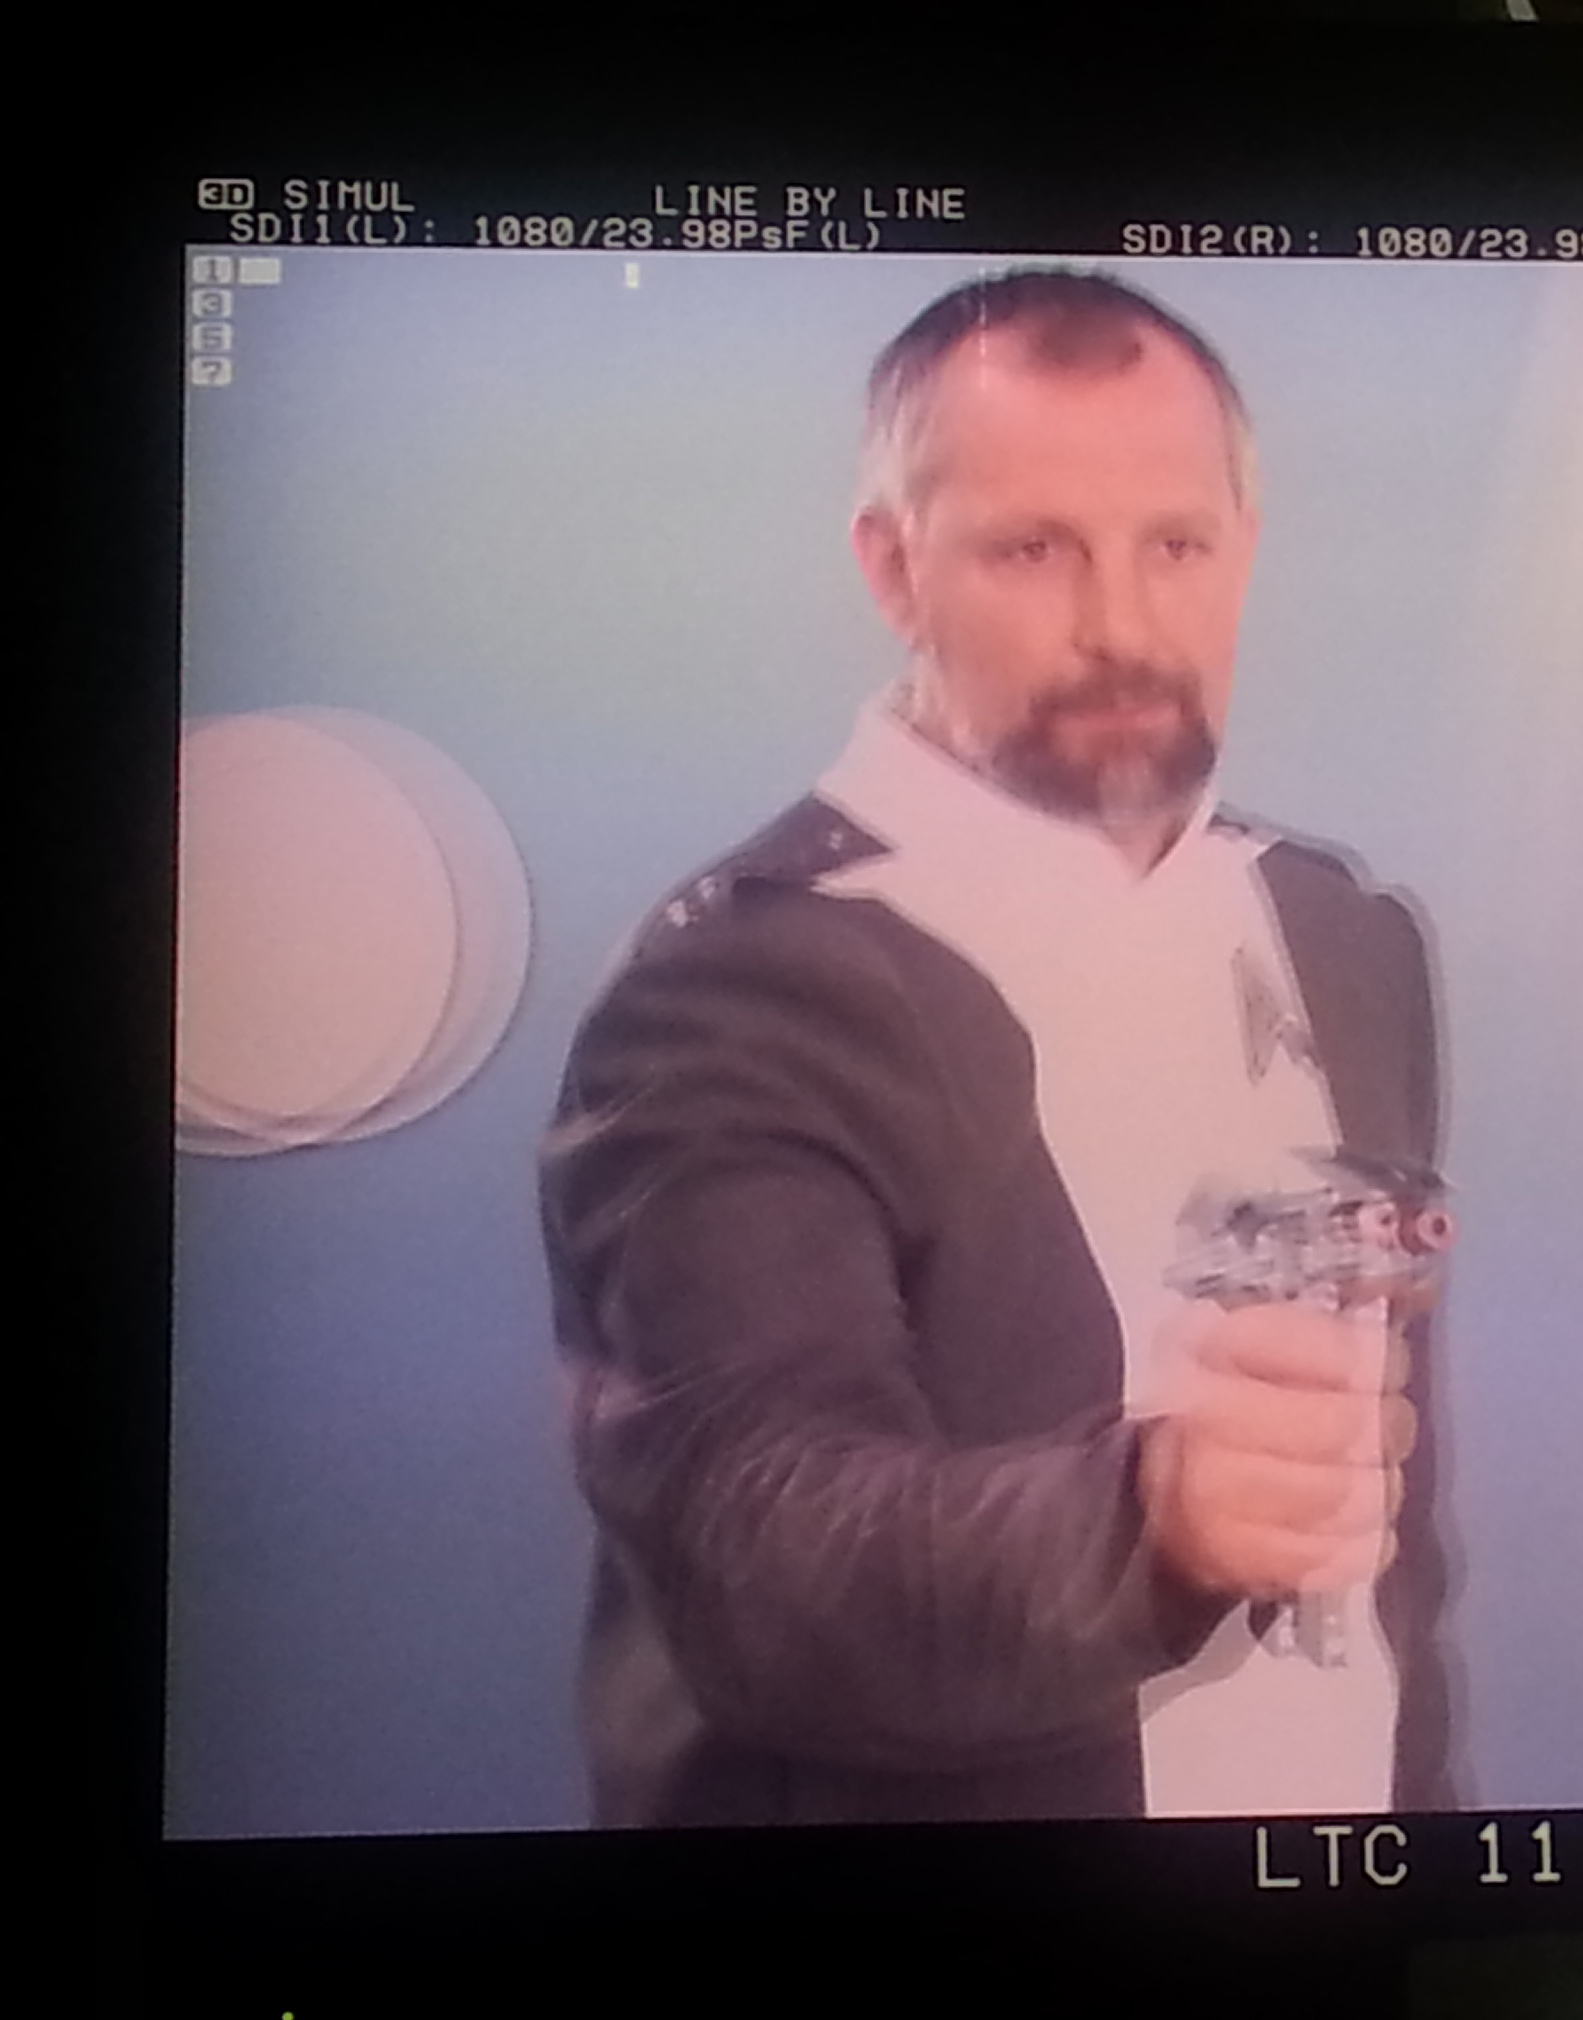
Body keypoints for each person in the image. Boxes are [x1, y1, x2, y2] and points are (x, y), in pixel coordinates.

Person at [540, 269, 1454, 1826]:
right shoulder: (734, 992)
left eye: (1176, 546)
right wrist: (1157, 1522)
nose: (1122, 627)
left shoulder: (1342, 936)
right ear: (895, 570)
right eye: (1034, 550)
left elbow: (1389, 1569)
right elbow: (764, 1549)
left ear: (1243, 551)